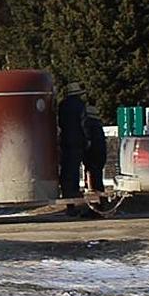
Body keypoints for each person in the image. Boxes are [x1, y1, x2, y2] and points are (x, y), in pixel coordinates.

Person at [57, 81, 87, 213]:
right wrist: (88, 139)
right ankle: (73, 195)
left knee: (66, 169)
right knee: (75, 169)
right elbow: (84, 123)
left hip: (65, 140)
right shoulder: (80, 105)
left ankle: (68, 197)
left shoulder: (62, 105)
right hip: (77, 140)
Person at [83, 105, 107, 193]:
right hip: (101, 152)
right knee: (98, 174)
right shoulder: (98, 125)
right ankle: (99, 191)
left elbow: (88, 138)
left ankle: (91, 189)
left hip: (92, 152)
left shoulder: (88, 124)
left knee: (91, 171)